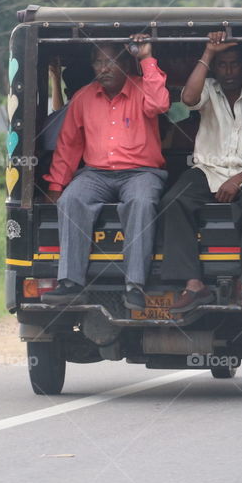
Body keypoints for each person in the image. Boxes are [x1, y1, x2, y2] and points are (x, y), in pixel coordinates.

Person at [41, 35, 170, 311]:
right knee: (71, 200)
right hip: (96, 173)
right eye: (98, 62)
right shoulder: (83, 97)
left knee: (141, 202)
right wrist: (56, 185)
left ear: (126, 64)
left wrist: (146, 57)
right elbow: (68, 145)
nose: (104, 67)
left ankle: (135, 285)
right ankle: (71, 284)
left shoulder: (142, 88)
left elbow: (159, 105)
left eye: (111, 61)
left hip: (141, 173)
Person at [160, 31, 242, 313]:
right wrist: (208, 53)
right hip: (207, 169)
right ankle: (194, 285)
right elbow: (187, 98)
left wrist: (238, 179)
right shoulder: (208, 88)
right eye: (222, 64)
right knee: (173, 201)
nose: (228, 71)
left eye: (234, 64)